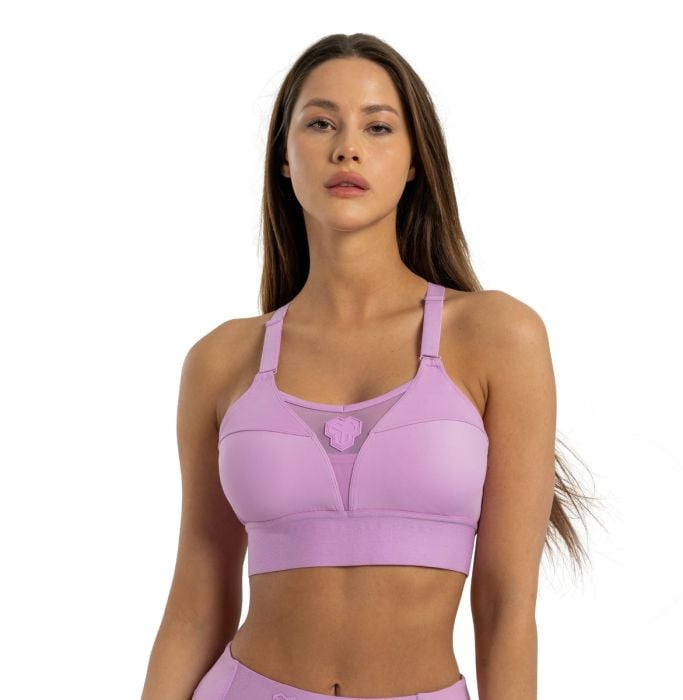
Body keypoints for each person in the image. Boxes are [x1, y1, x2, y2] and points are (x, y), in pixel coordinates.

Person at [141, 32, 596, 700]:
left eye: (377, 127)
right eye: (320, 123)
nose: (347, 148)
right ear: (284, 157)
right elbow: (196, 602)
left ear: (414, 161)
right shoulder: (221, 360)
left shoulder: (499, 337)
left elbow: (505, 607)